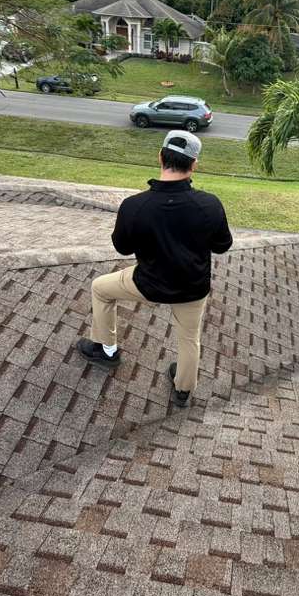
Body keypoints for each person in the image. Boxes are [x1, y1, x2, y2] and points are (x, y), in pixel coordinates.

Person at [75, 130, 233, 407]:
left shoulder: (134, 206)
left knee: (100, 288)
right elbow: (222, 246)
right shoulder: (210, 204)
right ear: (194, 164)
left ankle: (107, 351)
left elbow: (122, 248)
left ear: (160, 157)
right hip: (192, 289)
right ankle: (183, 390)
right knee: (189, 338)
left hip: (145, 283)